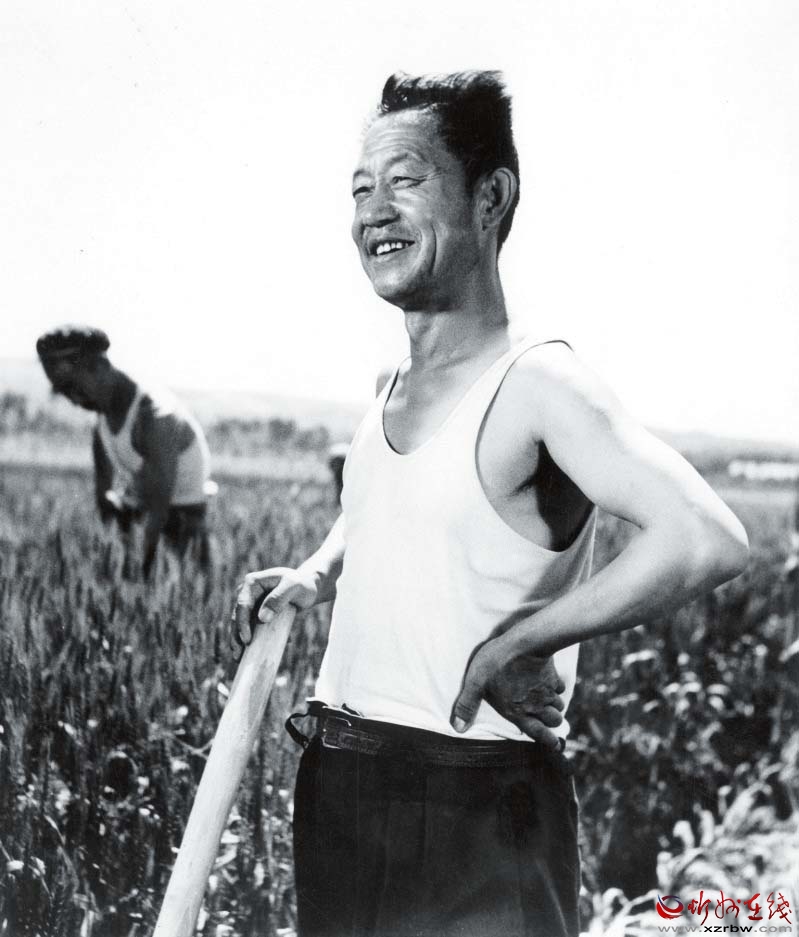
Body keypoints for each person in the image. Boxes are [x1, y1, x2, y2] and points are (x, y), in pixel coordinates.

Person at [234, 71, 749, 937]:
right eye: (359, 189)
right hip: (340, 781)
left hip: (470, 801)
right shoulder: (392, 386)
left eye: (404, 179)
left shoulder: (538, 381)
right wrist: (315, 574)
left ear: (490, 196)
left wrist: (522, 642)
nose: (374, 211)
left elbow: (703, 537)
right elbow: (385, 506)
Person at [36, 325, 215, 576]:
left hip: (182, 529)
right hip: (139, 518)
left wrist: (137, 571)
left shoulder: (155, 417)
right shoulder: (102, 416)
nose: (74, 401)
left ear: (100, 367)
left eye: (75, 387)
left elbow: (158, 511)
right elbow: (103, 496)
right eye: (64, 392)